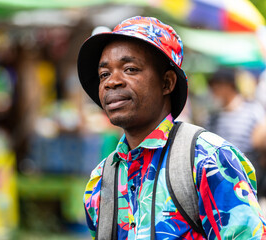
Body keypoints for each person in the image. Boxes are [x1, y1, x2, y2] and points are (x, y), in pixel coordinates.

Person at [77, 16, 266, 239]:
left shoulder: (207, 160)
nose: (112, 82)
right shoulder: (100, 181)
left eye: (130, 69)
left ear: (167, 82)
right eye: (104, 74)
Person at [205, 68, 266, 196]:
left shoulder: (253, 110)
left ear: (229, 85)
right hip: (222, 178)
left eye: (217, 85)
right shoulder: (213, 117)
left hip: (250, 176)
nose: (213, 90)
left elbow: (259, 141)